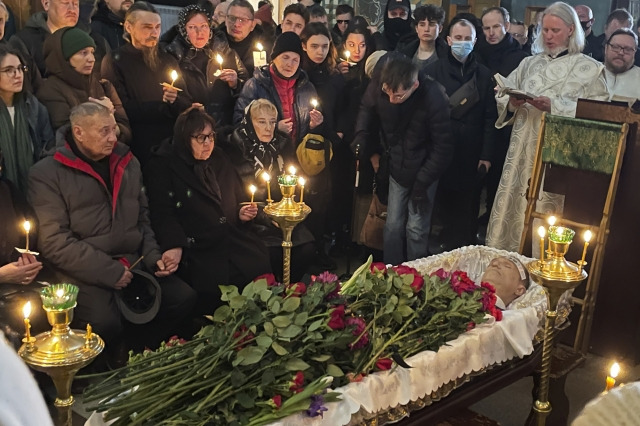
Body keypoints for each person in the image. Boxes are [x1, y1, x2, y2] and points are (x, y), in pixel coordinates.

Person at [28, 101, 197, 354]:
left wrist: (153, 257)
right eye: (103, 131)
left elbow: (143, 217)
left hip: (133, 259)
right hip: (85, 270)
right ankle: (112, 364)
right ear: (78, 132)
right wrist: (109, 271)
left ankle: (140, 355)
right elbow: (54, 242)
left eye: (113, 129)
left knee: (182, 298)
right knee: (104, 322)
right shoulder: (47, 173)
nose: (112, 137)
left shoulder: (127, 162)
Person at [485, 2, 609, 252]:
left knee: (549, 223)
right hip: (522, 154)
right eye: (545, 30)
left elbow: (600, 114)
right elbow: (503, 96)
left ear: (572, 30)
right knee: (514, 219)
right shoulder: (529, 64)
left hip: (558, 162)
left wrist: (557, 107)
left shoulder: (591, 69)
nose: (549, 36)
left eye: (556, 30)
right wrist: (512, 101)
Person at [145, 107, 271, 315]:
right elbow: (163, 211)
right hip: (198, 243)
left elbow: (237, 197)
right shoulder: (164, 165)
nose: (208, 144)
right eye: (200, 138)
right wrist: (174, 244)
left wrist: (241, 213)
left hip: (231, 234)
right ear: (185, 138)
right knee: (216, 286)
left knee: (259, 264)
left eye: (211, 136)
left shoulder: (219, 158)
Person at [353, 54, 453, 265]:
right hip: (397, 165)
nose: (391, 100)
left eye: (398, 96)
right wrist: (361, 136)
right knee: (392, 226)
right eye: (387, 93)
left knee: (416, 228)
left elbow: (442, 147)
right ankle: (391, 273)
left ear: (414, 85)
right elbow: (366, 108)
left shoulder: (433, 96)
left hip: (425, 169)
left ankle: (416, 273)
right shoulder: (382, 82)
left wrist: (422, 183)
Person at [425, 19, 496, 251]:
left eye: (467, 39)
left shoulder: (485, 75)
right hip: (441, 150)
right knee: (440, 210)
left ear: (475, 41)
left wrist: (486, 154)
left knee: (468, 210)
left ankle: (464, 258)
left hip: (472, 152)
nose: (462, 43)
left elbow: (489, 117)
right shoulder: (432, 71)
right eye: (458, 38)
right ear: (448, 40)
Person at [225, 99, 314, 280]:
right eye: (261, 122)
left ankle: (291, 293)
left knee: (307, 249)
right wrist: (262, 215)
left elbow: (293, 183)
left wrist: (288, 208)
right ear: (249, 122)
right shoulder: (234, 148)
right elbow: (231, 195)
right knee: (270, 254)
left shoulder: (282, 145)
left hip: (280, 215)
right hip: (249, 220)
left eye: (273, 122)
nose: (268, 128)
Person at [101, 1, 192, 166]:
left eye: (157, 27)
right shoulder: (115, 61)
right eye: (147, 27)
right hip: (139, 146)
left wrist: (174, 101)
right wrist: (163, 107)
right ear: (129, 27)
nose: (154, 33)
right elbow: (123, 108)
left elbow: (185, 100)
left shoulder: (167, 59)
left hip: (172, 143)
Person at [474, 7, 528, 227]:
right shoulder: (476, 53)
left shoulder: (521, 58)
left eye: (496, 26)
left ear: (506, 26)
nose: (491, 32)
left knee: (497, 181)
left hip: (505, 128)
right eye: (486, 28)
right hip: (478, 124)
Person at [300, 22, 344, 270]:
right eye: (314, 46)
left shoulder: (334, 76)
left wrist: (335, 131)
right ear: (304, 46)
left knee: (324, 201)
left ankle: (318, 250)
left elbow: (338, 107)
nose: (320, 51)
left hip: (325, 144)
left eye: (325, 46)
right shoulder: (301, 75)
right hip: (302, 145)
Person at [37, 27, 131, 142]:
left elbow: (126, 132)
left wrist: (112, 127)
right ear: (65, 58)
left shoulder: (102, 85)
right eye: (83, 53)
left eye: (92, 52)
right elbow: (68, 136)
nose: (91, 59)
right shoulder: (50, 91)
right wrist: (105, 114)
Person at [163, 4, 248, 129]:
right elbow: (174, 97)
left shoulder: (226, 51)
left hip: (226, 128)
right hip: (194, 129)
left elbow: (247, 89)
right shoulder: (174, 57)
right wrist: (188, 107)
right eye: (192, 27)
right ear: (183, 29)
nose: (200, 32)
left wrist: (236, 84)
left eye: (204, 26)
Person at [234, 32, 323, 147]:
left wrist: (314, 125)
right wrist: (274, 128)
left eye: (295, 60)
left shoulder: (307, 87)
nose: (289, 64)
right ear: (274, 58)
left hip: (298, 155)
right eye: (285, 57)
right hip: (268, 154)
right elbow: (239, 123)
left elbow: (313, 125)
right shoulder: (255, 85)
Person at [9, 0, 110, 85]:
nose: (72, 9)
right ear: (46, 3)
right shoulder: (24, 42)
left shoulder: (97, 41)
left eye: (75, 4)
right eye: (65, 2)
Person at [0, 47, 54, 194]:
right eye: (9, 70)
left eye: (20, 68)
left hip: (35, 188)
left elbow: (47, 146)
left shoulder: (33, 106)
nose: (17, 75)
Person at [217, 0, 272, 76]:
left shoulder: (266, 46)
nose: (236, 24)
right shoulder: (215, 41)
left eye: (243, 20)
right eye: (232, 18)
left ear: (252, 25)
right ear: (226, 20)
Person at [396, 4, 447, 71]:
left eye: (431, 24)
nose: (426, 29)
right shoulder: (405, 53)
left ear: (440, 28)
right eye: (422, 25)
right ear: (417, 28)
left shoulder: (447, 54)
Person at [603, 28, 640, 100]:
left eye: (628, 49)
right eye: (615, 47)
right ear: (606, 48)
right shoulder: (591, 72)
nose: (621, 53)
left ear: (634, 53)